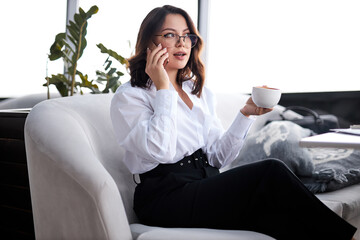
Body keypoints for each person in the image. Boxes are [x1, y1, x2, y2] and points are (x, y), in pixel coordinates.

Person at [110, 5, 357, 240]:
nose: (181, 43)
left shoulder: (198, 93)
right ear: (149, 43)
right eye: (170, 35)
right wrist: (164, 87)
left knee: (276, 219)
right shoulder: (131, 96)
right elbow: (159, 150)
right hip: (164, 198)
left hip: (203, 184)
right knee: (270, 170)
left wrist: (245, 114)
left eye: (186, 36)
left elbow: (218, 158)